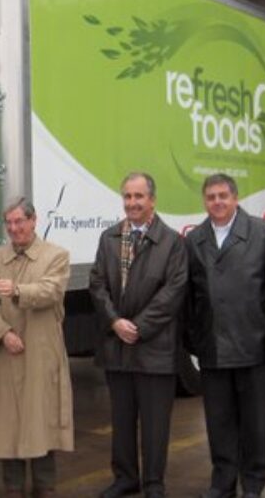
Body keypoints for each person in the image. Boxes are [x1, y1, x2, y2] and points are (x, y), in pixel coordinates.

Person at [184, 173, 265, 498]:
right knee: (219, 422)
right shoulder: (195, 239)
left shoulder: (264, 234)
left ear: (235, 198)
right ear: (204, 201)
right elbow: (188, 297)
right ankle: (222, 483)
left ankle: (254, 485)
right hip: (213, 350)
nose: (217, 202)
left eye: (223, 196)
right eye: (211, 197)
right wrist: (194, 340)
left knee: (255, 424)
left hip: (254, 347)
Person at [89, 172, 188, 498]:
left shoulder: (171, 242)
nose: (132, 203)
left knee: (155, 423)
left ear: (152, 200)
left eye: (139, 196)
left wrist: (139, 327)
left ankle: (154, 483)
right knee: (122, 420)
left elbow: (173, 292)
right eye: (127, 196)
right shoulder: (109, 238)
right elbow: (97, 284)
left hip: (154, 347)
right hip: (117, 346)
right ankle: (125, 478)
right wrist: (115, 322)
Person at [0, 197, 73, 498]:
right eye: (8, 223)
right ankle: (13, 487)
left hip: (42, 352)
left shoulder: (56, 256)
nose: (14, 228)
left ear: (33, 220)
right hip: (7, 354)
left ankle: (45, 485)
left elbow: (51, 291)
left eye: (19, 221)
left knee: (42, 418)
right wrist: (3, 333)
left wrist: (17, 290)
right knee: (9, 422)